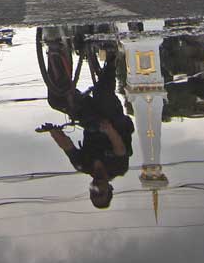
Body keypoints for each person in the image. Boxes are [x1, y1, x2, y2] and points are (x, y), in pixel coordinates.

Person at [38, 47, 133, 209]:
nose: (96, 190)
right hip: (113, 120)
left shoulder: (82, 165)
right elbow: (120, 148)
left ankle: (57, 52)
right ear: (109, 189)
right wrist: (109, 130)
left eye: (93, 193)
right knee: (102, 94)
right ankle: (112, 59)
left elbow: (67, 146)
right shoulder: (118, 168)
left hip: (90, 120)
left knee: (58, 100)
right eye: (100, 193)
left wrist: (53, 131)